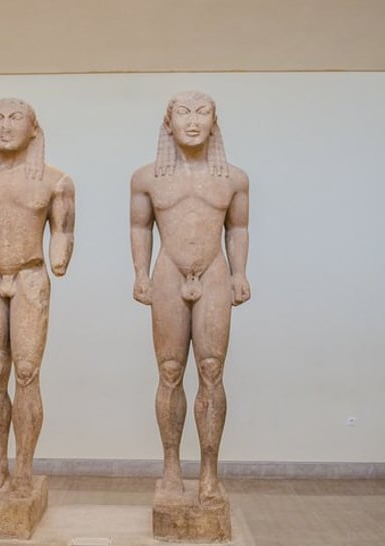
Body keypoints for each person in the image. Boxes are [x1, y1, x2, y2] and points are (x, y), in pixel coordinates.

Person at [130, 90, 250, 507]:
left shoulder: (233, 178)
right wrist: (140, 273)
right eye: (183, 113)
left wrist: (239, 273)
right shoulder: (147, 178)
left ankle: (210, 473)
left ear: (214, 123)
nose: (193, 121)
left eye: (203, 113)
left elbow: (237, 228)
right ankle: (171, 468)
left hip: (214, 272)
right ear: (169, 123)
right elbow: (140, 227)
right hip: (168, 272)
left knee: (212, 370)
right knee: (169, 371)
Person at [0, 98, 75, 497]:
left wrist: (61, 253)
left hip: (29, 275)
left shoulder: (55, 181)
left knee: (26, 372)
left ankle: (24, 464)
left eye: (15, 119)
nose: (6, 126)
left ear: (33, 129)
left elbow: (63, 230)